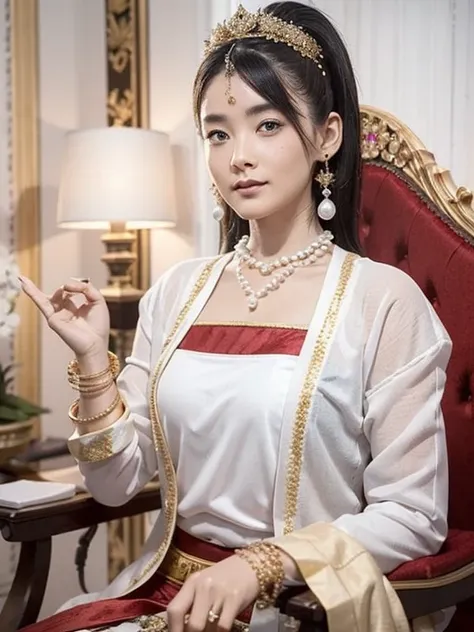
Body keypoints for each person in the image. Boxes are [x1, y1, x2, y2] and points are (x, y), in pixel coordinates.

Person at [18, 2, 452, 631]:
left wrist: (263, 565)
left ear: (327, 135)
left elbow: (414, 516)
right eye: (217, 133)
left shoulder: (384, 301)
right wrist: (91, 363)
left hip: (300, 605)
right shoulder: (176, 291)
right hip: (160, 594)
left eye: (267, 125)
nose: (238, 156)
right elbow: (116, 486)